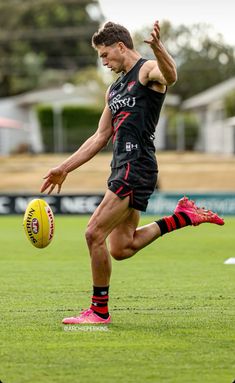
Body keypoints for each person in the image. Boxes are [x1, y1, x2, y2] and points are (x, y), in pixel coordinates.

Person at [40, 21, 224, 325]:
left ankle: (98, 312)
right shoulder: (113, 89)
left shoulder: (147, 69)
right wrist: (64, 168)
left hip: (135, 165)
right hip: (123, 166)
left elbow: (171, 76)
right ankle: (182, 217)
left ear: (120, 46)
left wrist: (158, 48)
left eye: (104, 55)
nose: (104, 62)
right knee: (122, 248)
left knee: (93, 233)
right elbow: (100, 137)